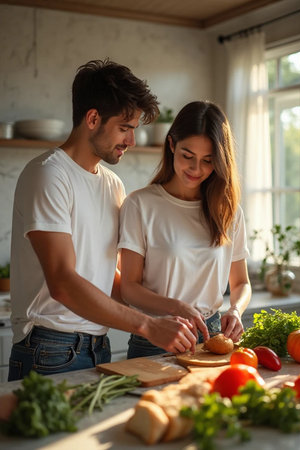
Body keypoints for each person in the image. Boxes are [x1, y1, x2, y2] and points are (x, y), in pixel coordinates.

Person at [8, 59, 198, 381]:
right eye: (125, 128)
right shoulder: (48, 175)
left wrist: (170, 307)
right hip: (49, 348)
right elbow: (63, 283)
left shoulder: (113, 185)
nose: (132, 141)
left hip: (99, 346)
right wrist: (147, 325)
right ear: (93, 118)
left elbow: (108, 277)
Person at [118, 100, 252, 359]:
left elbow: (241, 282)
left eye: (208, 161)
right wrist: (177, 308)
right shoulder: (140, 204)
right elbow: (129, 287)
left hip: (212, 336)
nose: (195, 169)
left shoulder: (228, 210)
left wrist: (235, 310)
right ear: (171, 145)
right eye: (187, 156)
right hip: (157, 335)